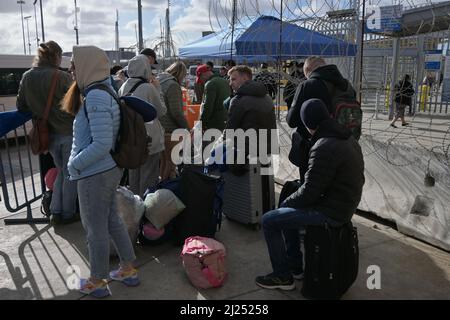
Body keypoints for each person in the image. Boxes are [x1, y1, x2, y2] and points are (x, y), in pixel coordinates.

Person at [255, 98, 365, 291]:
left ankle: (282, 276)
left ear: (307, 124)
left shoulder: (323, 145)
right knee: (288, 211)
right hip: (343, 204)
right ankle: (295, 267)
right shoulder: (346, 137)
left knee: (270, 220)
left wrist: (286, 204)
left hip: (331, 212)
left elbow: (309, 192)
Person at [63, 45, 139, 298]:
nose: (71, 70)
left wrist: (75, 164)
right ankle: (128, 268)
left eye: (74, 64)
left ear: (87, 65)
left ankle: (97, 280)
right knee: (111, 220)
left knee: (95, 229)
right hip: (107, 170)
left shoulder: (95, 96)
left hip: (95, 174)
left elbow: (102, 143)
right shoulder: (104, 90)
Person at [16, 40, 78, 225]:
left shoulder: (27, 77)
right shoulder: (63, 77)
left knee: (61, 171)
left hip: (46, 134)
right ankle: (67, 213)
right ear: (56, 56)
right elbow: (76, 104)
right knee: (70, 174)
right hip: (67, 132)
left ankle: (55, 212)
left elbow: (21, 106)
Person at [287, 56, 356, 183]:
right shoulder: (347, 86)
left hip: (313, 150)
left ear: (307, 70)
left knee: (310, 188)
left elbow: (291, 121)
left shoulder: (307, 85)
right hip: (343, 147)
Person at [118, 54, 167, 197]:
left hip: (130, 138)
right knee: (149, 177)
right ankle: (146, 211)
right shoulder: (148, 87)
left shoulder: (123, 86)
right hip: (149, 139)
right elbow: (161, 111)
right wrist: (158, 89)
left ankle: (134, 209)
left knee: (134, 177)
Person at [226, 65, 277, 158]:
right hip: (267, 151)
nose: (230, 83)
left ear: (245, 78)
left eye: (233, 79)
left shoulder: (238, 100)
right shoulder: (267, 98)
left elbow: (230, 131)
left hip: (245, 154)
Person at [159, 61, 190, 180]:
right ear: (180, 74)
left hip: (160, 128)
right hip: (171, 130)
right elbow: (176, 112)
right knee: (171, 163)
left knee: (164, 161)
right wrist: (186, 128)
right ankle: (164, 188)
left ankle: (160, 188)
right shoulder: (173, 85)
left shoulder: (160, 82)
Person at [197, 64, 231, 131]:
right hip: (226, 120)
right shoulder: (225, 81)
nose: (202, 81)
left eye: (200, 78)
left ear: (203, 74)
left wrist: (202, 124)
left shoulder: (210, 84)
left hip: (214, 123)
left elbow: (208, 106)